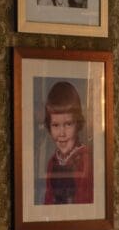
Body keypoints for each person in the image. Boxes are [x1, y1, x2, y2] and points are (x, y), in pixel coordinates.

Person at [37, 78, 95, 207]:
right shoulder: (52, 162)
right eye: (56, 125)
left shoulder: (85, 159)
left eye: (68, 124)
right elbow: (48, 200)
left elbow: (85, 204)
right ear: (49, 127)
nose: (62, 133)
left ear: (77, 124)